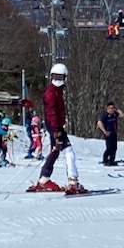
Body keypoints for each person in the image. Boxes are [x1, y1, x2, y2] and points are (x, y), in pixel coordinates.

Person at [32, 63, 86, 194]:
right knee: (69, 151)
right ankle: (73, 182)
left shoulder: (55, 91)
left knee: (55, 151)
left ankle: (44, 179)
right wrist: (56, 131)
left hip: (55, 126)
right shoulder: (52, 92)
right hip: (55, 127)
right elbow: (51, 113)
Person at [97, 101, 124, 166]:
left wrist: (117, 110)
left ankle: (111, 160)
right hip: (108, 134)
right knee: (109, 148)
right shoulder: (105, 115)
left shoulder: (114, 114)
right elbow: (99, 123)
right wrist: (104, 131)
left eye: (113, 108)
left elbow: (122, 115)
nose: (112, 109)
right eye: (111, 108)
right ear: (107, 108)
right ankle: (105, 160)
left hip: (114, 133)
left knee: (114, 148)